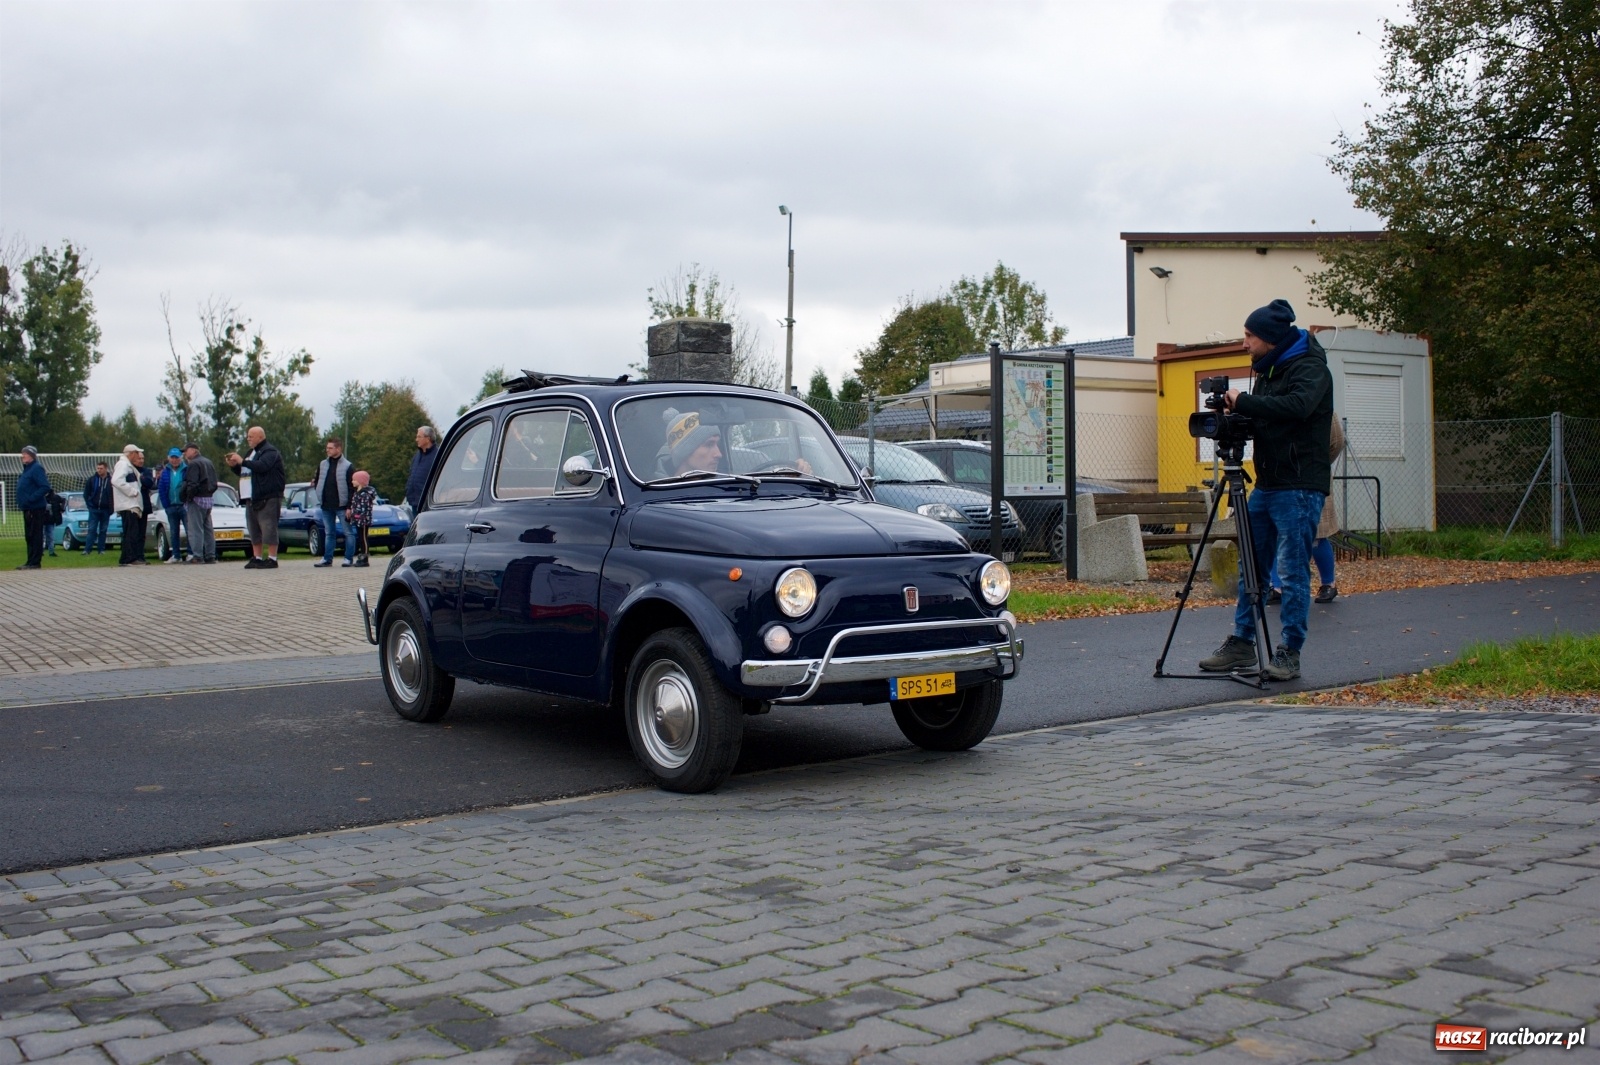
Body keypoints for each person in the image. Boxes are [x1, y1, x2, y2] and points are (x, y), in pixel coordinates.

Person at [1199, 299, 1333, 682]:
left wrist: (1247, 402)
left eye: (1249, 336)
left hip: (1300, 486)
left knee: (1291, 573)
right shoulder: (1269, 369)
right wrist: (1238, 417)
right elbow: (1268, 415)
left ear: (1270, 338)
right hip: (1269, 485)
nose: (1244, 343)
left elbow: (1297, 407)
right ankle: (1243, 642)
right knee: (1251, 567)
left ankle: (1289, 652)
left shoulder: (1310, 368)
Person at [1265, 418, 1345, 605]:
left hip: (1314, 477)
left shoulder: (1319, 402)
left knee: (1317, 533)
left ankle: (1328, 583)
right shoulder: (1277, 402)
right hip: (1282, 476)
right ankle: (1277, 587)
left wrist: (1319, 463)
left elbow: (1337, 441)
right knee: (1277, 532)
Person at [226, 426, 285, 570]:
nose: (248, 438)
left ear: (260, 437)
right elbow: (246, 470)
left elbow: (262, 466)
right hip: (250, 496)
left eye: (251, 436)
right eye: (248, 436)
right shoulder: (251, 453)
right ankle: (257, 557)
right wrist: (235, 466)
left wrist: (242, 461)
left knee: (268, 526)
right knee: (253, 528)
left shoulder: (270, 452)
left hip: (267, 496)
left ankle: (272, 558)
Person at [310, 437, 356, 567]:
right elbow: (317, 479)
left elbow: (352, 488)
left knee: (348, 532)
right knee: (329, 532)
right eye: (327, 448)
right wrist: (319, 493)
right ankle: (327, 558)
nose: (327, 450)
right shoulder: (322, 464)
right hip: (326, 505)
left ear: (338, 449)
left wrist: (349, 507)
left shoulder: (348, 466)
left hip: (342, 505)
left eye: (330, 448)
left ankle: (348, 558)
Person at [112, 444, 153, 566]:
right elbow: (116, 480)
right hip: (128, 504)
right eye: (136, 453)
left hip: (132, 505)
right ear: (131, 454)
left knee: (132, 532)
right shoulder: (123, 465)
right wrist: (132, 491)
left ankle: (128, 557)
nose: (138, 456)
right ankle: (129, 558)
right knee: (131, 533)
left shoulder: (128, 466)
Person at [180, 442, 220, 564]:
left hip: (197, 499)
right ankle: (210, 555)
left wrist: (189, 497)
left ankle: (197, 556)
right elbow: (214, 483)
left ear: (193, 451)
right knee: (208, 529)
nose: (184, 454)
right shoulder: (208, 462)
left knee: (195, 528)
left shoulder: (194, 464)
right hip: (208, 498)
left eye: (186, 451)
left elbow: (192, 483)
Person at [657, 408, 722, 477]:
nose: (719, 454)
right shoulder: (658, 487)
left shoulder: (722, 484)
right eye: (709, 445)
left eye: (717, 444)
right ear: (683, 451)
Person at [15, 446, 50, 570]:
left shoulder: (36, 468)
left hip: (35, 508)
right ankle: (30, 561)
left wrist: (31, 499)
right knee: (29, 535)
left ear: (32, 455)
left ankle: (35, 562)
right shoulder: (27, 469)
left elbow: (45, 486)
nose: (22, 456)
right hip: (27, 508)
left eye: (25, 454)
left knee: (35, 535)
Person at [155, 447, 189, 562]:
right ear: (169, 458)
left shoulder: (186, 469)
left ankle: (190, 553)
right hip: (171, 507)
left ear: (181, 458)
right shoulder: (165, 472)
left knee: (189, 530)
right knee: (174, 532)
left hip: (184, 506)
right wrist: (166, 505)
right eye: (172, 458)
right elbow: (161, 489)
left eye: (177, 457)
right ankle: (176, 555)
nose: (174, 460)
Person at [82, 460, 114, 555]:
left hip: (105, 510)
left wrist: (111, 507)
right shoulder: (92, 480)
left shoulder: (111, 481)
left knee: (103, 530)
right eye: (98, 468)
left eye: (101, 468)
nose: (99, 470)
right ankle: (87, 550)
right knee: (91, 529)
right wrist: (89, 505)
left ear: (106, 469)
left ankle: (101, 550)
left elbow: (113, 495)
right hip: (94, 509)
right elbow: (86, 494)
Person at [348, 469, 377, 567]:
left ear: (360, 481)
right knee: (360, 538)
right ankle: (362, 555)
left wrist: (362, 518)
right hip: (358, 519)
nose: (352, 481)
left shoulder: (365, 495)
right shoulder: (357, 493)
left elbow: (365, 508)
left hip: (363, 520)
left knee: (364, 538)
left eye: (354, 480)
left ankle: (365, 557)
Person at [404, 426, 438, 511]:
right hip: (414, 501)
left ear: (427, 439)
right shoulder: (417, 455)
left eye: (419, 437)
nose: (416, 439)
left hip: (428, 504)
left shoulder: (437, 456)